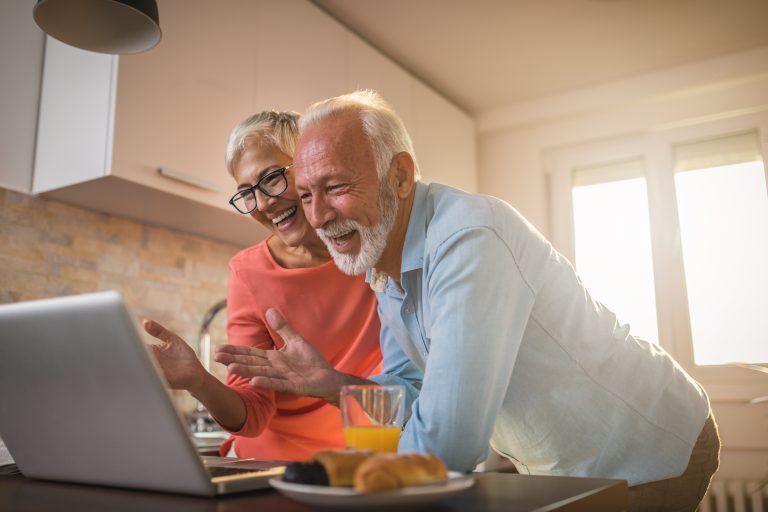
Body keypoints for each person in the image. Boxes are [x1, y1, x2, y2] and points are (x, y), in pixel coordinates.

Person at [215, 90, 720, 511]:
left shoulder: (469, 239)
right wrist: (331, 383)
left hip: (649, 447)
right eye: (306, 195)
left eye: (336, 187)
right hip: (563, 466)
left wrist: (339, 485)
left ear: (400, 176)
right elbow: (411, 395)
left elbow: (446, 444)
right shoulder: (383, 268)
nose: (319, 216)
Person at [142, 110, 382, 461]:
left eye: (272, 178)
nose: (264, 202)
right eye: (248, 192)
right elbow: (253, 413)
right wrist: (199, 381)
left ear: (310, 165)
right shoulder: (247, 273)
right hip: (269, 466)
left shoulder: (373, 251)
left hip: (360, 457)